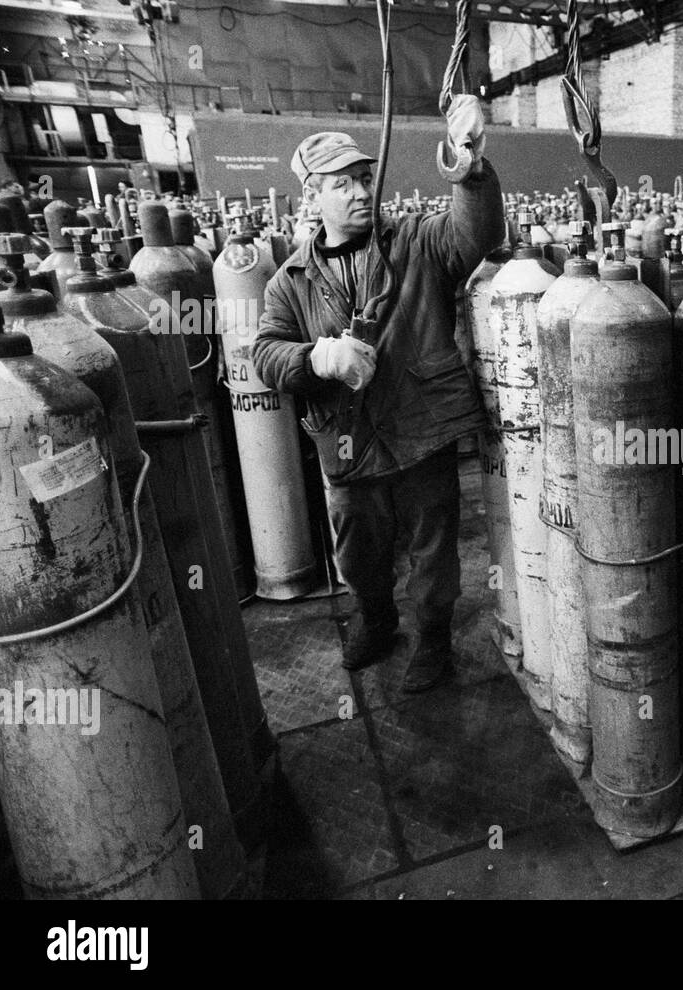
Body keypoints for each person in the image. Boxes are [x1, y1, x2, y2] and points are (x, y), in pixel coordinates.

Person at [253, 99, 505, 692]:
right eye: (343, 184)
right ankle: (376, 618)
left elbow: (479, 232)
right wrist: (316, 357)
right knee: (359, 556)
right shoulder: (288, 281)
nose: (362, 192)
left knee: (432, 551)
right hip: (347, 441)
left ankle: (433, 639)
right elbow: (264, 355)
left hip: (420, 430)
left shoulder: (417, 242)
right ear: (312, 198)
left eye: (366, 179)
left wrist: (467, 163)